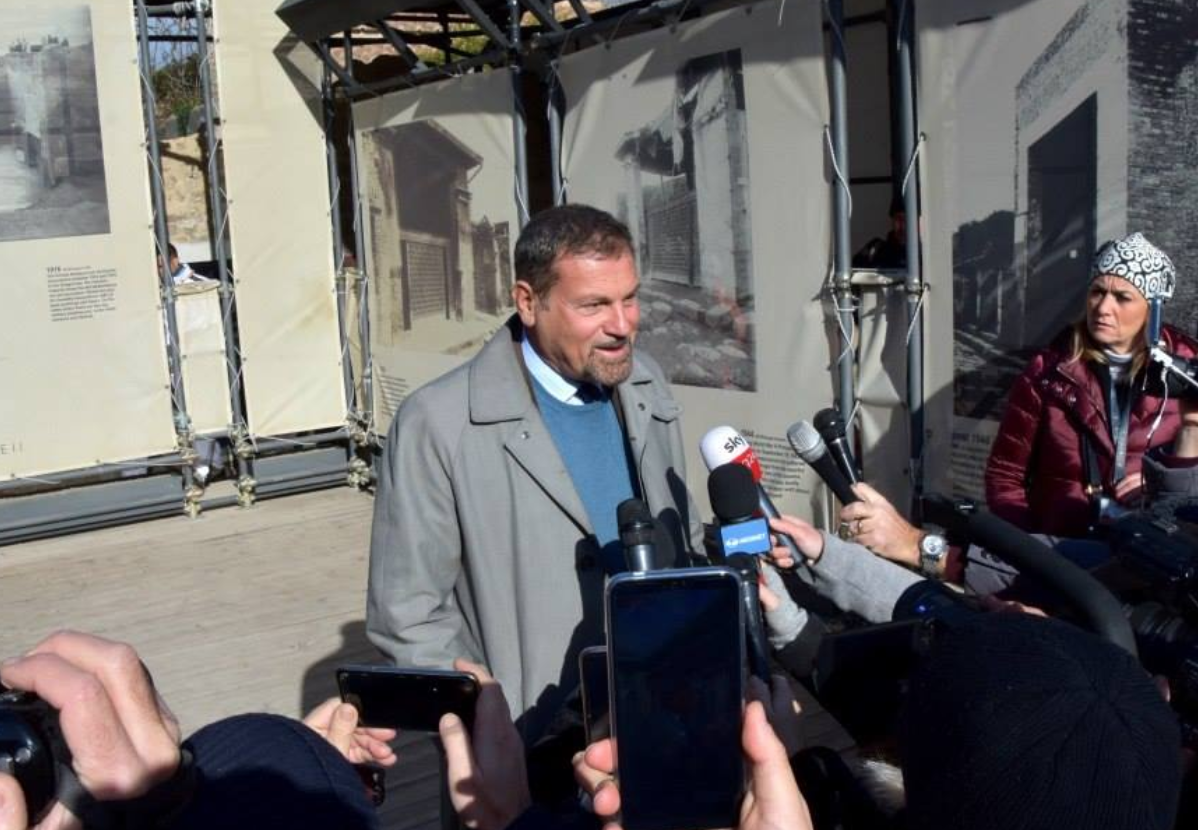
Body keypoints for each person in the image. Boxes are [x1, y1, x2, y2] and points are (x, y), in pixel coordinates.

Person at [367, 204, 703, 744]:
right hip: (530, 753)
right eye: (594, 305)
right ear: (528, 302)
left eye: (630, 298)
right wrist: (487, 723)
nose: (623, 326)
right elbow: (407, 617)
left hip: (663, 714)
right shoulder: (438, 423)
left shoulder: (648, 384)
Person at [986, 232, 1198, 538]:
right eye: (1097, 292)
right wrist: (1028, 551)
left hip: (1151, 559)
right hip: (1062, 554)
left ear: (1153, 307)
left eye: (1122, 297)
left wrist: (1158, 482)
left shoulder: (1186, 375)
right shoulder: (1049, 371)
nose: (1102, 308)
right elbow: (1005, 476)